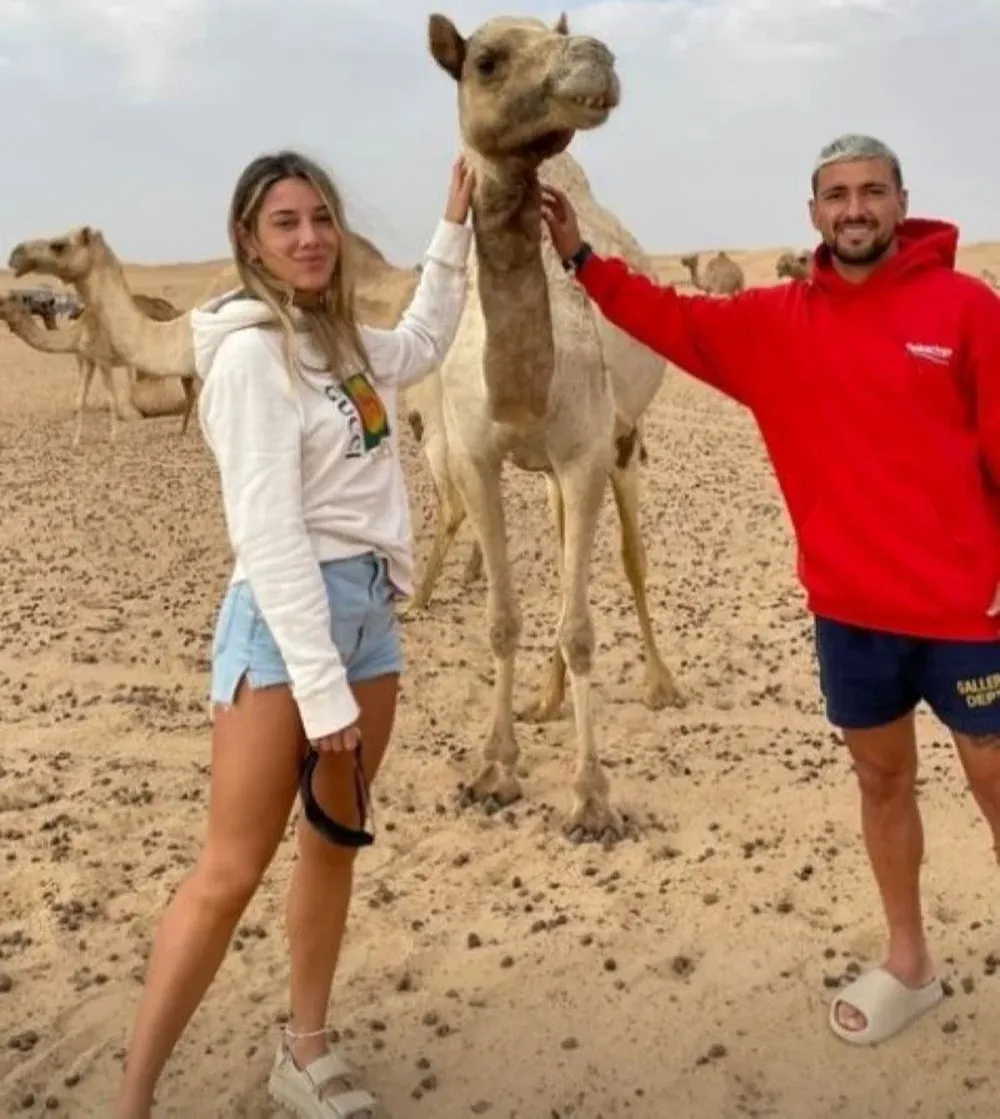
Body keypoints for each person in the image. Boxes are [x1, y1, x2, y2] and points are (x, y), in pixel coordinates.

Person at [541, 133, 1000, 1047]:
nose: (855, 208)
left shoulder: (965, 309)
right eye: (837, 194)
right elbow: (667, 318)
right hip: (850, 614)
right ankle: (909, 960)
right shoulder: (772, 324)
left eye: (872, 191)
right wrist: (582, 259)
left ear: (901, 203)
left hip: (967, 614)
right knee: (882, 780)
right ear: (814, 213)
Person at [112, 149, 475, 1119]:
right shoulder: (247, 358)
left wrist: (455, 227)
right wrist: (320, 691)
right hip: (285, 629)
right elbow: (267, 535)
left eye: (321, 218)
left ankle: (304, 1049)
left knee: (331, 844)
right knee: (231, 870)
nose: (310, 238)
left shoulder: (339, 337)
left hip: (369, 621)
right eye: (286, 223)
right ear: (248, 240)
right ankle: (133, 1098)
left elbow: (425, 340)